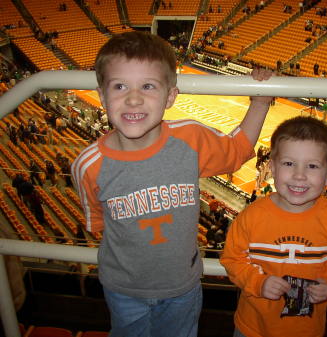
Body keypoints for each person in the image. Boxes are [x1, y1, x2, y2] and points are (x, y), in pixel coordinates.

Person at [71, 31, 274, 337]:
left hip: (183, 287)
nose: (134, 98)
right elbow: (98, 223)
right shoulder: (87, 166)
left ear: (170, 97)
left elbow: (236, 152)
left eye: (148, 86)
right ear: (102, 96)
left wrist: (260, 102)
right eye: (120, 86)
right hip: (123, 289)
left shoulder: (189, 139)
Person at [220, 116, 327, 337]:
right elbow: (232, 259)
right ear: (272, 168)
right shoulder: (251, 217)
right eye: (288, 163)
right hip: (252, 328)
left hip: (308, 330)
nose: (299, 175)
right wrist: (258, 282)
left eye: (312, 166)